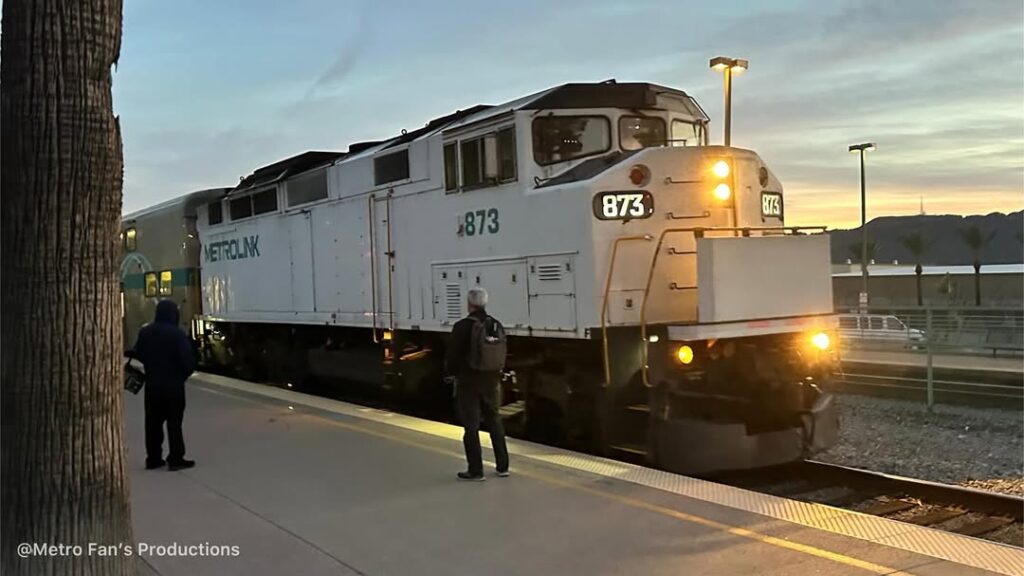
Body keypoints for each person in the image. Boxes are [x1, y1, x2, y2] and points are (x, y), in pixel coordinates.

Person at [445, 287, 510, 481]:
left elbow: (453, 356)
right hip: (491, 380)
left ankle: (476, 470)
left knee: (471, 427)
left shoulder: (462, 326)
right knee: (494, 421)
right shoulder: (495, 324)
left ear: (469, 304)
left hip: (469, 382)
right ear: (485, 303)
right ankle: (503, 466)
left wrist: (451, 374)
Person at [129, 300, 196, 471]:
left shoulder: (146, 332)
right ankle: (176, 458)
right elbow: (188, 362)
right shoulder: (177, 335)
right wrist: (180, 376)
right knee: (174, 423)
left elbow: (139, 353)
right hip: (174, 387)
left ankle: (153, 458)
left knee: (152, 424)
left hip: (152, 386)